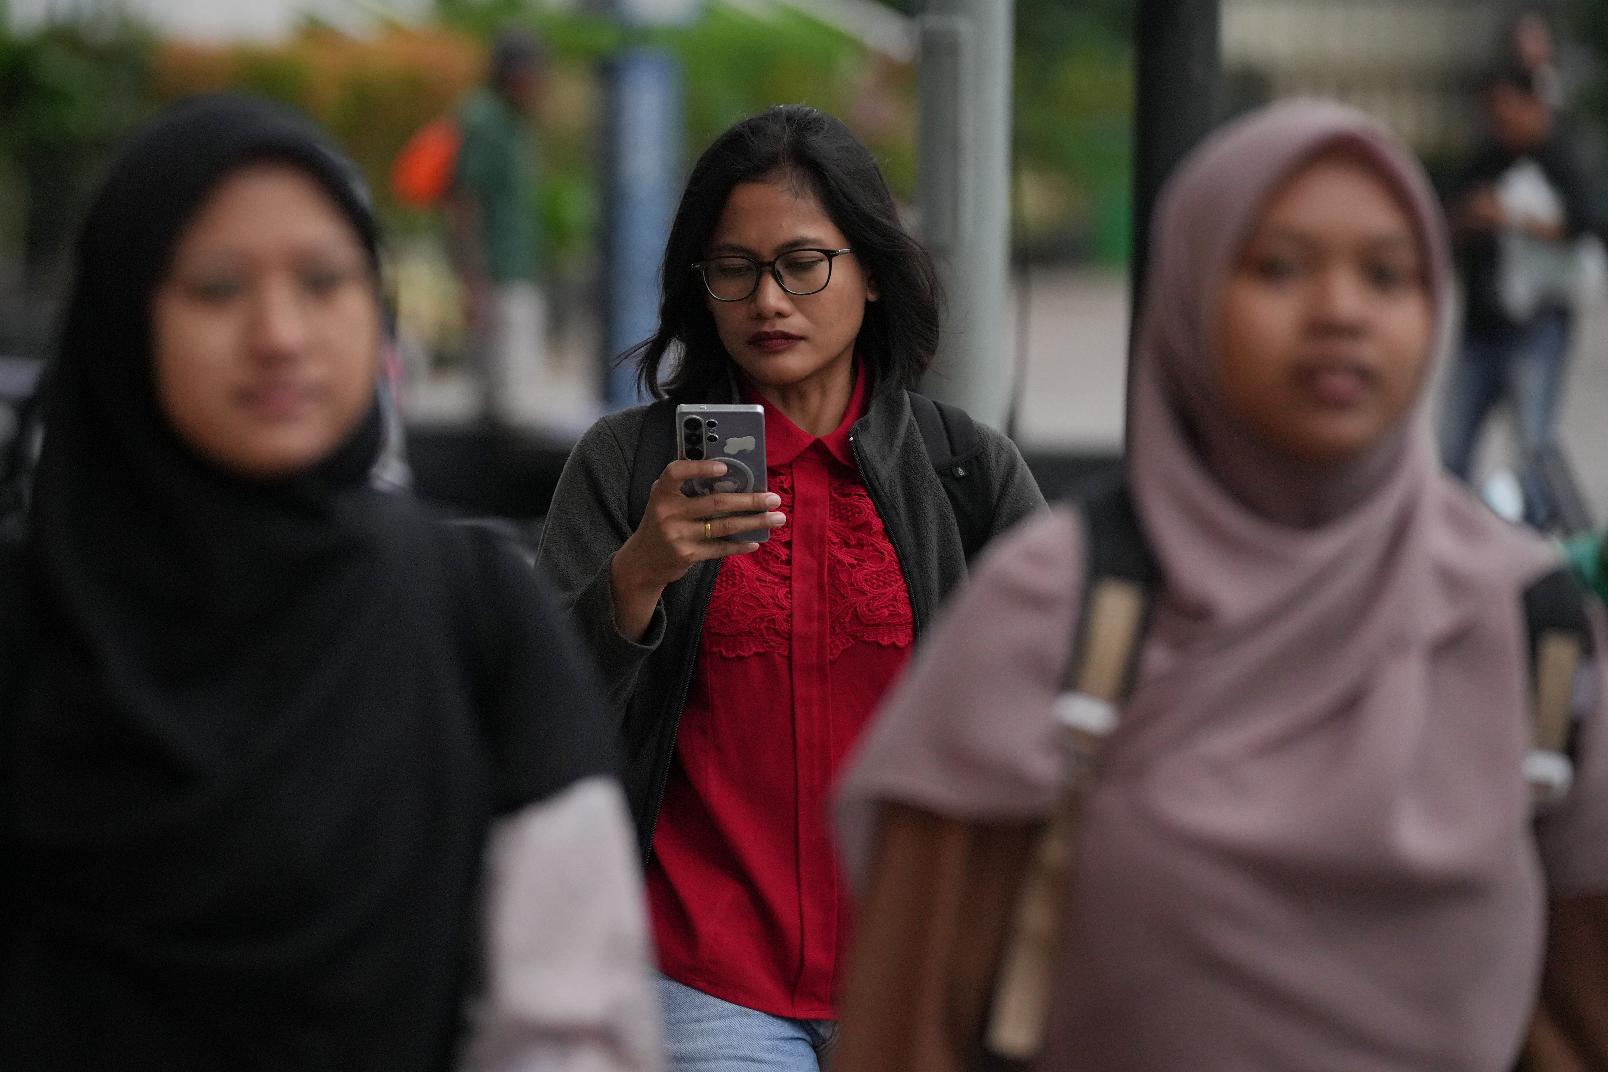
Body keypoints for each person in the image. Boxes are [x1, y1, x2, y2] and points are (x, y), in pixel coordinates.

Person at [832, 100, 1608, 1071]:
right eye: (1278, 267)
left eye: (1388, 274)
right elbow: (909, 1030)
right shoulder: (1054, 610)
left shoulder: (1529, 626)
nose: (1341, 311)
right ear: (1190, 294)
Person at [0, 94, 661, 1072]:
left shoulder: (472, 613)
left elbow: (570, 1024)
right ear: (120, 318)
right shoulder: (29, 615)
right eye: (217, 288)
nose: (279, 333)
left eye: (323, 282)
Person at [536, 104, 1044, 1071]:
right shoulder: (624, 465)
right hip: (698, 972)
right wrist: (639, 573)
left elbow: (1059, 713)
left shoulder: (967, 472)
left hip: (913, 970)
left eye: (803, 263)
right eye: (735, 269)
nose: (769, 300)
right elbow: (533, 710)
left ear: (871, 275)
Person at [1437, 66, 1597, 524]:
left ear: (1534, 106)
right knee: (1453, 446)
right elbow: (1446, 218)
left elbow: (1589, 224)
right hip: (1481, 326)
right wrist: (1473, 216)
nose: (1504, 121)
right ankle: (1449, 534)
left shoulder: (1562, 158)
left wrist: (1515, 218)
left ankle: (1543, 543)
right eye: (1496, 112)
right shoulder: (1484, 159)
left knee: (1534, 446)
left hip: (1538, 327)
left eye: (1513, 110)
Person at [446, 27, 564, 427]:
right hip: (496, 274)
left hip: (515, 267)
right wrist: (472, 279)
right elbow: (466, 200)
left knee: (513, 391)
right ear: (513, 72)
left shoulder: (514, 120)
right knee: (507, 401)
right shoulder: (484, 119)